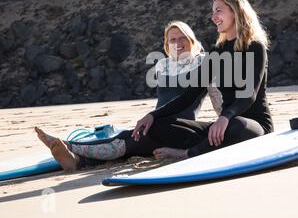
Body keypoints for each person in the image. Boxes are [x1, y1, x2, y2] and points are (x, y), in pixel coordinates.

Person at [35, 21, 221, 172]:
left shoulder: (203, 62)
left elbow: (217, 99)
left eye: (183, 38)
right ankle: (77, 161)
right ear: (166, 45)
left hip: (181, 128)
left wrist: (226, 120)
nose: (178, 43)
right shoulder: (162, 66)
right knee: (132, 143)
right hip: (155, 125)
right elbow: (163, 101)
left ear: (192, 40)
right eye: (172, 40)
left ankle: (70, 146)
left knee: (127, 138)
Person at [133, 0, 274, 160]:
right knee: (157, 125)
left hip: (252, 125)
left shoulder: (254, 47)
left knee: (236, 126)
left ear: (236, 11)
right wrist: (152, 115)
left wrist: (225, 117)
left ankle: (188, 153)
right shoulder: (217, 51)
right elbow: (189, 95)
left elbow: (249, 94)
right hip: (225, 123)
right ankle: (210, 144)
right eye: (213, 11)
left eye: (219, 10)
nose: (213, 17)